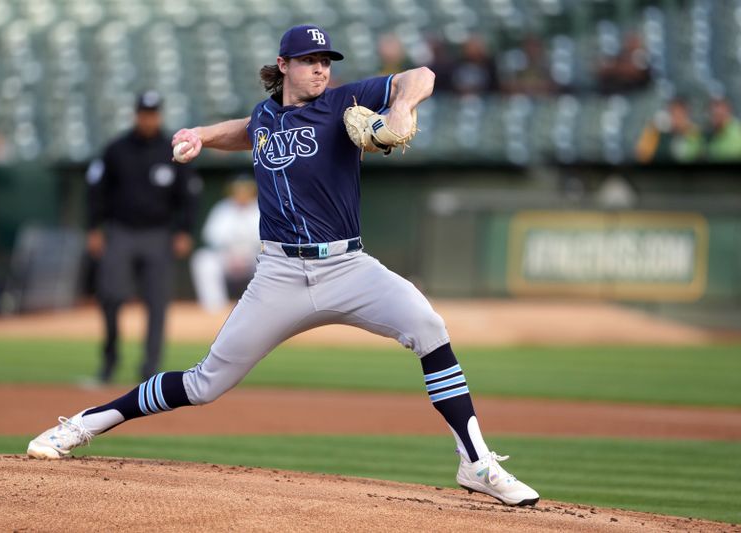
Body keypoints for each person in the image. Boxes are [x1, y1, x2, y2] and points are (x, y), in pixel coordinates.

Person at [28, 25, 539, 507]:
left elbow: (419, 76)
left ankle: (476, 463)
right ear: (284, 65)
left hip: (348, 267)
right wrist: (202, 134)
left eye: (325, 61)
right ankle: (81, 425)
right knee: (205, 384)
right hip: (279, 276)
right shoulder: (267, 117)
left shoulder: (343, 101)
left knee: (429, 325)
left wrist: (402, 107)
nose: (320, 69)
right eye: (310, 61)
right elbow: (247, 130)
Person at [84, 90, 199, 383]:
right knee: (110, 296)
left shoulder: (171, 149)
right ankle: (109, 362)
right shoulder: (116, 149)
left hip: (158, 234)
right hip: (121, 232)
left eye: (153, 113)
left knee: (157, 303)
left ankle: (150, 370)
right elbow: (97, 192)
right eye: (144, 113)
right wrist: (94, 228)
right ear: (136, 114)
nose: (148, 119)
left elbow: (188, 195)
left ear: (159, 115)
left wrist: (184, 230)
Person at [190, 175, 260, 312]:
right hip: (227, 256)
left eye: (246, 190)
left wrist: (245, 254)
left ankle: (262, 307)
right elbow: (210, 237)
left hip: (253, 256)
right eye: (239, 190)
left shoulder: (261, 208)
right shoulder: (222, 208)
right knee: (204, 260)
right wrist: (231, 253)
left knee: (270, 261)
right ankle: (215, 309)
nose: (242, 193)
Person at [635, 98, 703, 163]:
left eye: (680, 114)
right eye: (673, 113)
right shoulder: (657, 130)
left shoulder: (694, 133)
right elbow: (642, 155)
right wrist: (653, 129)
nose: (677, 118)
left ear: (687, 114)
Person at [705, 97, 741, 162]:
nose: (714, 110)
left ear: (728, 109)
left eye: (717, 105)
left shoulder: (738, 132)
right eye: (711, 107)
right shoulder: (708, 137)